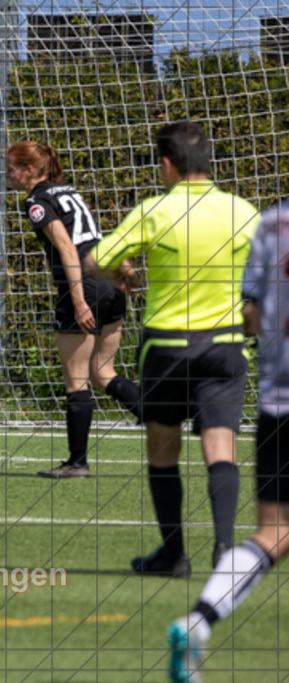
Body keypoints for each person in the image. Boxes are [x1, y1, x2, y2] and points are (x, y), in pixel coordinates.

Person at [87, 121, 259, 577]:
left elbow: (97, 259)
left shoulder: (156, 211)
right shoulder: (243, 212)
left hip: (166, 346)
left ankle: (174, 555)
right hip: (224, 343)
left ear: (166, 164)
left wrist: (119, 269)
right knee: (221, 446)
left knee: (163, 448)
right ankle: (226, 549)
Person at [162, 201, 289, 682]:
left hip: (278, 401)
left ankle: (197, 622)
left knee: (274, 533)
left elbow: (250, 313)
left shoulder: (273, 223)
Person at [6, 141, 141, 479]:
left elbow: (68, 248)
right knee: (103, 373)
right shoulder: (69, 192)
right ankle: (160, 415)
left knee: (76, 380)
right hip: (110, 284)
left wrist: (78, 301)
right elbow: (95, 237)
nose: (7, 175)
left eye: (11, 168)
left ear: (30, 169)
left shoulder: (37, 201)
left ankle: (77, 464)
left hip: (84, 286)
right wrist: (125, 270)